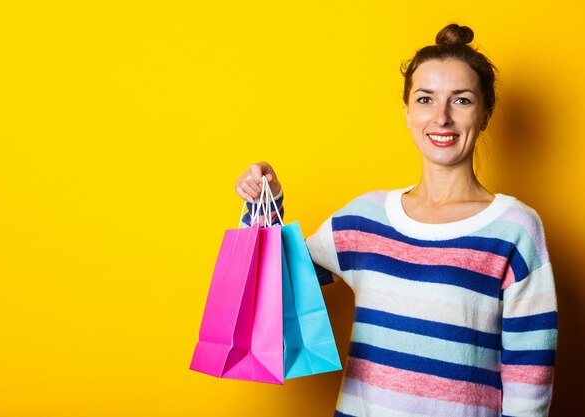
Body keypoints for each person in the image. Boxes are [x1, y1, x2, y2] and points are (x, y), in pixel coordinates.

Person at [235, 24, 557, 417]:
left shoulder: (515, 228)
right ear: (407, 112)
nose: (441, 117)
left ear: (486, 113)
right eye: (425, 99)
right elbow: (277, 287)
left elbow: (530, 376)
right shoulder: (365, 217)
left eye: (461, 101)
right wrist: (265, 205)